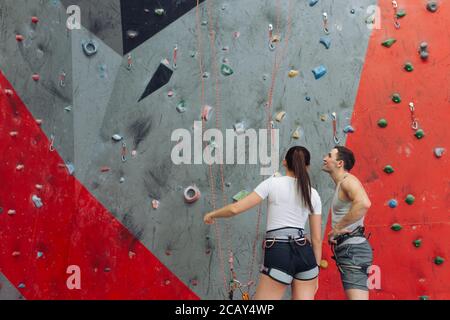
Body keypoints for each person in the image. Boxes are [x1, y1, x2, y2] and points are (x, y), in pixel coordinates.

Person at [204, 146, 322, 300]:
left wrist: (212, 214)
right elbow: (317, 239)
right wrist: (316, 271)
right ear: (307, 166)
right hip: (306, 255)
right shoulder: (313, 193)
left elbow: (235, 209)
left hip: (279, 251)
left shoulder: (272, 183)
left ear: (284, 162)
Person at [322, 146, 373, 300]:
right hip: (351, 249)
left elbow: (364, 203)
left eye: (329, 155)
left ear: (340, 163)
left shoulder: (347, 181)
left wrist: (337, 228)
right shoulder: (342, 183)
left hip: (353, 250)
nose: (325, 158)